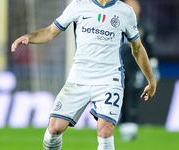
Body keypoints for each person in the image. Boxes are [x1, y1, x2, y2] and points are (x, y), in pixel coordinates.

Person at [11, 0, 157, 149]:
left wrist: (151, 80)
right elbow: (50, 32)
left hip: (109, 80)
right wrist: (29, 37)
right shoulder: (78, 6)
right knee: (54, 129)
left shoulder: (125, 12)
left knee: (105, 130)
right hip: (78, 78)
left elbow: (137, 48)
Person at [119, 0, 160, 141]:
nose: (134, 8)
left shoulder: (144, 26)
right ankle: (124, 126)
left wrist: (154, 68)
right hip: (119, 68)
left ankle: (131, 126)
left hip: (137, 68)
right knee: (122, 96)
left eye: (135, 6)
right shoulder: (118, 23)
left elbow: (151, 48)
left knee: (134, 95)